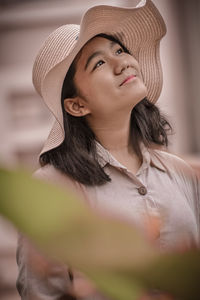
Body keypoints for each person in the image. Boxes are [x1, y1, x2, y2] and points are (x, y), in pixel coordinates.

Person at [16, 0, 200, 299]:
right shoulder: (53, 188)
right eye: (99, 62)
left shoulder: (179, 171)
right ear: (77, 105)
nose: (123, 61)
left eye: (119, 50)